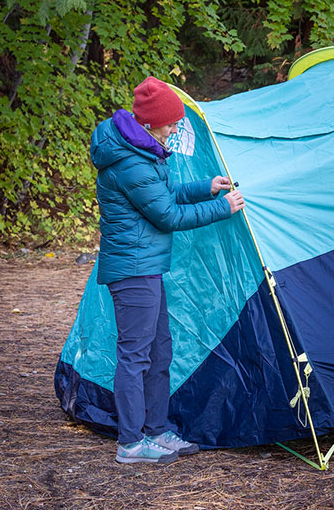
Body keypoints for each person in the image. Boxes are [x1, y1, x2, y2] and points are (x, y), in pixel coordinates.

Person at [90, 76, 245, 464]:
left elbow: (163, 194)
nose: (175, 129)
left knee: (160, 352)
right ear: (150, 123)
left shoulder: (140, 150)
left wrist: (205, 188)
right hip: (133, 270)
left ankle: (156, 430)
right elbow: (167, 215)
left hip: (146, 267)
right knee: (135, 356)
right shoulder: (129, 162)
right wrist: (222, 208)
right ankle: (130, 443)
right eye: (172, 123)